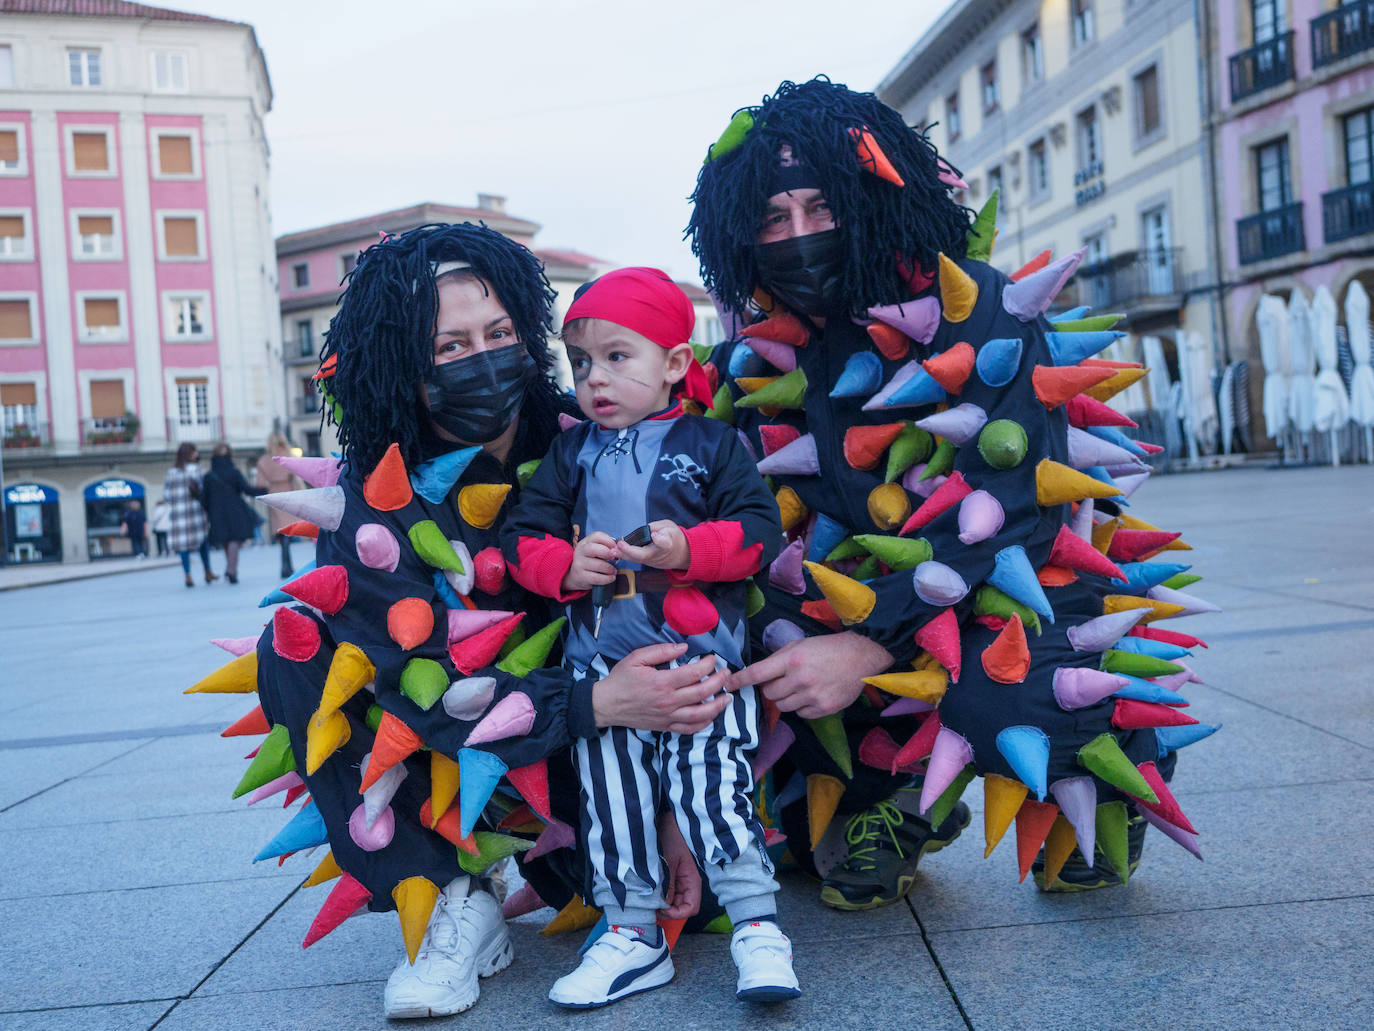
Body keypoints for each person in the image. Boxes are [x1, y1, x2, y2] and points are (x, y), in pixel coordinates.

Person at [187, 223, 734, 1021]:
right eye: (450, 345)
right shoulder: (377, 498)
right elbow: (431, 692)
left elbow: (709, 612)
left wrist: (679, 811)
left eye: (500, 332)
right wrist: (599, 703)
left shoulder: (604, 435)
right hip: (512, 756)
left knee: (712, 889)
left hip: (636, 767)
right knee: (292, 650)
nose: (482, 356)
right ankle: (450, 891)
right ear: (408, 367)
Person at [685, 78, 1212, 903]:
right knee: (765, 680)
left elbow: (1001, 509)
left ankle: (1109, 771)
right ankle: (893, 795)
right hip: (868, 595)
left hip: (1030, 589)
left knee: (1007, 690)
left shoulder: (979, 308)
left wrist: (863, 649)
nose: (798, 237)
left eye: (820, 208)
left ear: (872, 195)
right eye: (771, 220)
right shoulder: (754, 357)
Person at [501, 267, 795, 1008]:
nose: (594, 378)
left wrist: (689, 550)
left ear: (673, 363)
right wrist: (565, 564)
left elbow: (758, 531)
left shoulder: (713, 442)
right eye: (581, 362)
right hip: (603, 670)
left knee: (713, 791)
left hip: (706, 669)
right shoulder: (571, 454)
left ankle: (757, 925)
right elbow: (523, 538)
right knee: (613, 800)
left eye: (617, 356)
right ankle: (632, 931)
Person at [201, 443, 266, 584]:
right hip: (234, 510)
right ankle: (231, 570)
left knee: (226, 540)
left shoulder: (208, 476)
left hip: (216, 511)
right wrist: (264, 491)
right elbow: (246, 489)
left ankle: (231, 569)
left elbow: (204, 498)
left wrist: (208, 511)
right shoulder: (234, 472)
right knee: (235, 540)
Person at [165, 442, 216, 588]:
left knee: (183, 545)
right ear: (190, 454)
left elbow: (166, 495)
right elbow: (204, 490)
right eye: (194, 452)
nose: (197, 454)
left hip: (178, 513)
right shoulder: (198, 470)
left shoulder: (172, 472)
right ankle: (207, 571)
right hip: (196, 511)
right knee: (202, 541)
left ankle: (187, 574)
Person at [257, 431, 301, 577]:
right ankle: (289, 565)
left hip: (274, 493)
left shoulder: (264, 460)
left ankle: (284, 565)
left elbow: (260, 483)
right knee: (288, 529)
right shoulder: (288, 455)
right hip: (288, 492)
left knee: (281, 531)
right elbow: (298, 475)